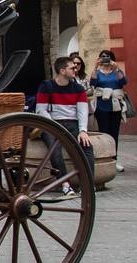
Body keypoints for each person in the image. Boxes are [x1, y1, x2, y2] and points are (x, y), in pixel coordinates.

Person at [34, 56, 95, 198]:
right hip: (52, 123)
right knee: (54, 150)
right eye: (72, 68)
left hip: (72, 123)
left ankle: (88, 185)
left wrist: (83, 131)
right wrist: (52, 126)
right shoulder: (46, 86)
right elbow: (41, 110)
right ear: (62, 70)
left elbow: (82, 112)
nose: (75, 70)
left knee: (87, 148)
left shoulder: (78, 89)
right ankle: (65, 185)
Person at [90, 49, 129, 172]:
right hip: (102, 105)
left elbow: (123, 82)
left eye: (107, 56)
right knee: (103, 132)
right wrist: (95, 67)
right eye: (102, 56)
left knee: (114, 133)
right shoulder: (98, 72)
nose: (105, 58)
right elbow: (93, 83)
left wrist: (117, 68)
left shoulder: (116, 71)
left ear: (112, 58)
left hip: (115, 106)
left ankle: (114, 159)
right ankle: (103, 159)